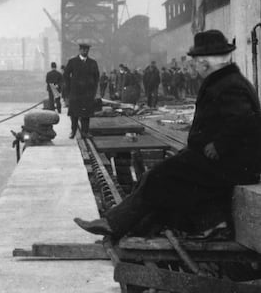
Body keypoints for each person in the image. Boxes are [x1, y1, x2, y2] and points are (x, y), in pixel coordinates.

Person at [74, 30, 261, 238]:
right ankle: (135, 228)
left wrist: (219, 145)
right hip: (224, 161)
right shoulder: (226, 81)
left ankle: (115, 224)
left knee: (157, 177)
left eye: (196, 61)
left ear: (206, 63)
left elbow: (245, 119)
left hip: (229, 165)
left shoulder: (229, 85)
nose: (194, 66)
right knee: (160, 178)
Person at [63, 42, 100, 138]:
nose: (85, 51)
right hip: (75, 93)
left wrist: (94, 90)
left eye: (86, 50)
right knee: (74, 114)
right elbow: (66, 75)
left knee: (86, 114)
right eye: (83, 49)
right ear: (79, 50)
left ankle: (85, 132)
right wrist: (70, 87)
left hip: (88, 93)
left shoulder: (93, 63)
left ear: (88, 51)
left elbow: (96, 77)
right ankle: (73, 131)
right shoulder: (72, 62)